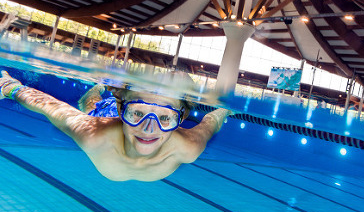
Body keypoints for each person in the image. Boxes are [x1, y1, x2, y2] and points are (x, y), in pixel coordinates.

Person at [0, 70, 231, 181]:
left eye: (164, 118)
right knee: (90, 104)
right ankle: (96, 87)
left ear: (180, 120)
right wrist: (10, 86)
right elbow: (51, 107)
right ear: (124, 111)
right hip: (107, 114)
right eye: (138, 113)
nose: (149, 129)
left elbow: (211, 120)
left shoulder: (188, 147)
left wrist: (227, 106)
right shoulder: (95, 135)